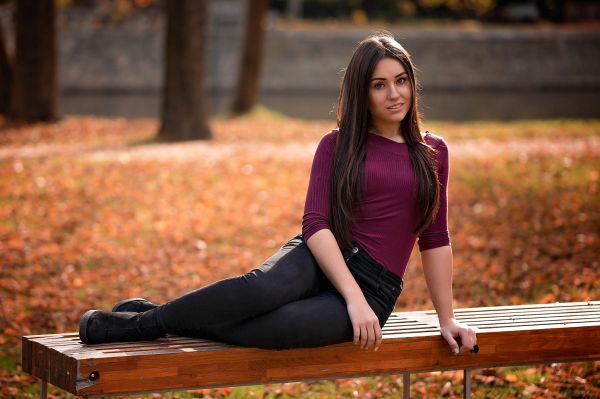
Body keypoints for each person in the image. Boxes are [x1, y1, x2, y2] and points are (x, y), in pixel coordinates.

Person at [79, 33, 477, 354]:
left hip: (376, 289)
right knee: (259, 289)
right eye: (380, 85)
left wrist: (446, 319)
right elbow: (316, 222)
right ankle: (145, 326)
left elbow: (435, 238)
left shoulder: (433, 151)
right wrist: (350, 294)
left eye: (401, 81)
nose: (394, 94)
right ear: (362, 93)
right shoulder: (336, 145)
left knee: (273, 329)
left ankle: (154, 315)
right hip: (321, 254)